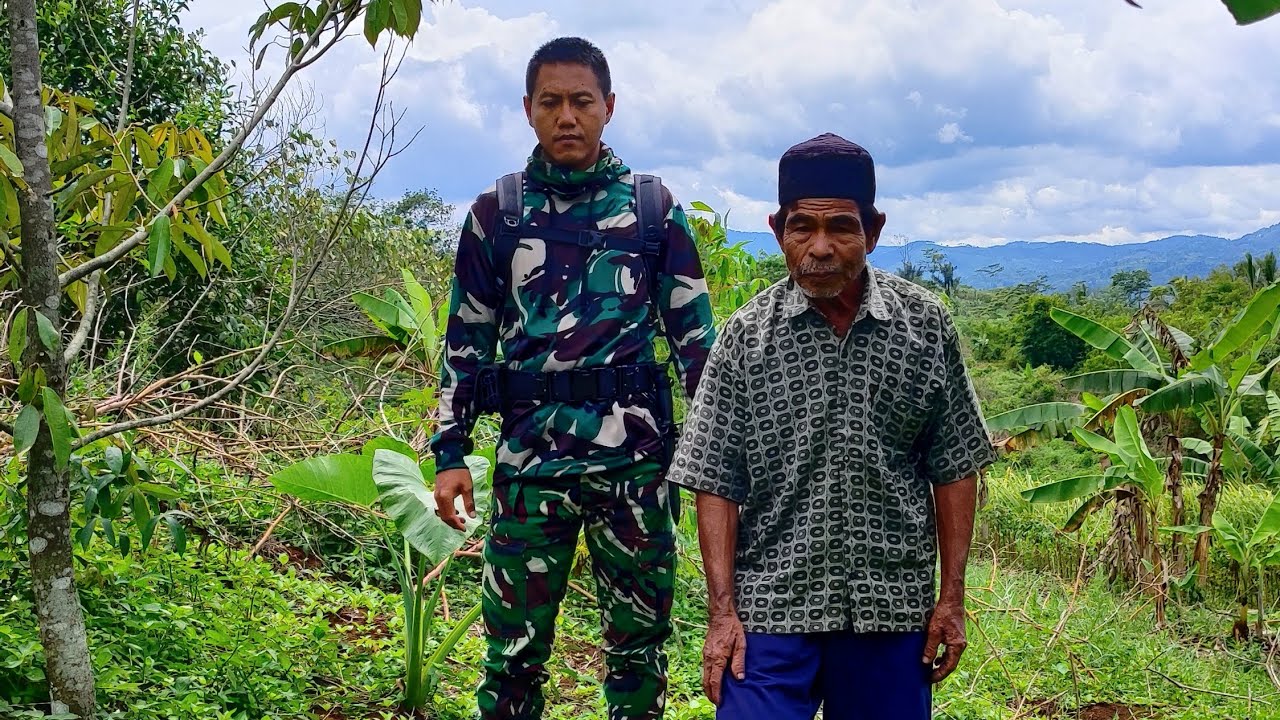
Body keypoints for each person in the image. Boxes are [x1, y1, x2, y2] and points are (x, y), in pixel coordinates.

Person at [429, 36, 718, 720]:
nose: (567, 117)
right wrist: (448, 452)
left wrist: (711, 464)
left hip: (635, 469)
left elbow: (697, 349)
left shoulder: (653, 210)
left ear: (608, 108)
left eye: (582, 102)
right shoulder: (496, 214)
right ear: (528, 110)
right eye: (551, 102)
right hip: (530, 467)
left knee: (639, 655)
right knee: (512, 659)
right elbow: (465, 339)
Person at [668, 132, 996, 719]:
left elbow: (954, 466)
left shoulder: (925, 328)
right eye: (802, 227)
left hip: (892, 610)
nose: (820, 248)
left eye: (841, 227)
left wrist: (951, 598)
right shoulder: (746, 338)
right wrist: (723, 614)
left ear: (873, 230)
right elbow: (715, 479)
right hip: (770, 610)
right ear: (778, 230)